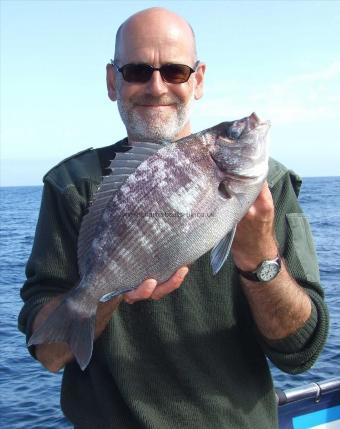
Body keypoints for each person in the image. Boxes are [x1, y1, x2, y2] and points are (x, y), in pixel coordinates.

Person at [18, 7, 328, 429]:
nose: (156, 86)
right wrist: (110, 291)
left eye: (176, 71)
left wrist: (260, 259)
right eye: (137, 70)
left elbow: (302, 352)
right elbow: (52, 355)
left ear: (198, 80)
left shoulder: (269, 186)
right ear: (113, 82)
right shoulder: (72, 186)